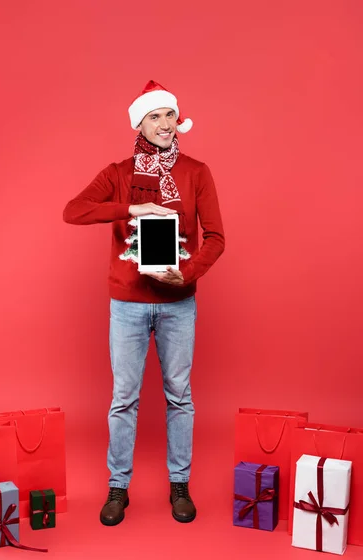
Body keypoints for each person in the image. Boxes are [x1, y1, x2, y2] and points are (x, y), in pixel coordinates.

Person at [63, 80, 225, 526]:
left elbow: (216, 238)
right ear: (140, 122)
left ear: (179, 120)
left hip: (179, 303)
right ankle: (118, 487)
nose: (164, 124)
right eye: (154, 117)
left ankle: (180, 485)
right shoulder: (118, 172)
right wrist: (131, 210)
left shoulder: (197, 171)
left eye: (170, 115)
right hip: (128, 304)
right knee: (123, 399)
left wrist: (186, 274)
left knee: (180, 397)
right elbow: (72, 211)